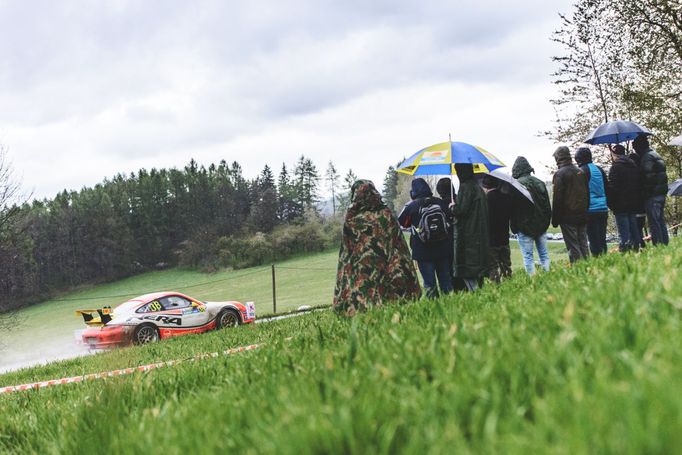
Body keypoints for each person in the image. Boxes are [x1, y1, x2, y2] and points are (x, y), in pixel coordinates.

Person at [333, 180, 421, 316]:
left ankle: (365, 312)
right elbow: (397, 241)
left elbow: (347, 248)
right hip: (386, 261)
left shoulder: (352, 216)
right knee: (386, 292)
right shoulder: (385, 213)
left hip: (362, 265)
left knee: (366, 292)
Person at [398, 178, 453, 298]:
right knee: (445, 280)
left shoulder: (412, 206)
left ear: (413, 192)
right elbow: (450, 218)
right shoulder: (439, 202)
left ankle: (435, 310)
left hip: (423, 251)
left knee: (429, 283)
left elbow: (402, 222)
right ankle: (452, 305)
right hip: (443, 249)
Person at [509, 157, 552, 275]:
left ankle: (533, 280)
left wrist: (514, 227)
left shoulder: (516, 185)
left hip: (524, 227)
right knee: (544, 254)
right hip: (541, 225)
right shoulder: (540, 183)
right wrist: (546, 222)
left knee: (528, 257)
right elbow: (547, 207)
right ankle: (548, 275)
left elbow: (513, 209)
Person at [450, 163, 489, 291]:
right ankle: (480, 292)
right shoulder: (478, 187)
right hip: (479, 233)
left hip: (467, 235)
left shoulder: (465, 188)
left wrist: (452, 207)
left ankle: (475, 293)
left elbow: (462, 210)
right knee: (478, 268)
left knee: (467, 269)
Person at [552, 146, 589, 263]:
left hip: (568, 217)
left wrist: (555, 219)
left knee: (573, 246)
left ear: (558, 158)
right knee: (583, 244)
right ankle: (589, 267)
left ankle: (579, 271)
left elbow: (557, 199)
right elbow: (587, 194)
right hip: (582, 214)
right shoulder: (580, 171)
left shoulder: (560, 174)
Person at [633, 135, 669, 245]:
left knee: (654, 222)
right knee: (660, 220)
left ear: (639, 147)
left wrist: (644, 192)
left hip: (652, 194)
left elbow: (647, 176)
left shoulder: (646, 158)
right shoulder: (655, 154)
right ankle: (665, 243)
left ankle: (658, 244)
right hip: (661, 193)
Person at [607, 145, 643, 251]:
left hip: (620, 205)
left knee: (624, 232)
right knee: (634, 228)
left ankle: (625, 251)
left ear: (615, 155)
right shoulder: (633, 165)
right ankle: (637, 248)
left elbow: (612, 188)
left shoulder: (615, 167)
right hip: (633, 204)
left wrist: (612, 204)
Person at [574, 147, 609, 256]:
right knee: (602, 237)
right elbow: (607, 187)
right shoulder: (599, 169)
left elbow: (579, 192)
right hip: (603, 208)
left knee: (593, 240)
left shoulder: (582, 171)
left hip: (590, 210)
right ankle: (605, 258)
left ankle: (598, 262)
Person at [436, 178, 466, 292]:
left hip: (446, 242)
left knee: (449, 268)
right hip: (463, 239)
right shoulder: (461, 200)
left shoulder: (439, 204)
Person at [481, 175, 512, 283]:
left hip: (491, 240)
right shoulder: (506, 198)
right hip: (504, 237)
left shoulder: (484, 200)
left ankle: (496, 287)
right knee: (506, 265)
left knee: (493, 267)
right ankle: (509, 284)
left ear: (485, 187)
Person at [627, 149, 648, 248]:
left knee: (635, 229)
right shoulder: (642, 172)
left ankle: (639, 245)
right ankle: (641, 245)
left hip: (634, 207)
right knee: (639, 227)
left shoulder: (631, 174)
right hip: (642, 206)